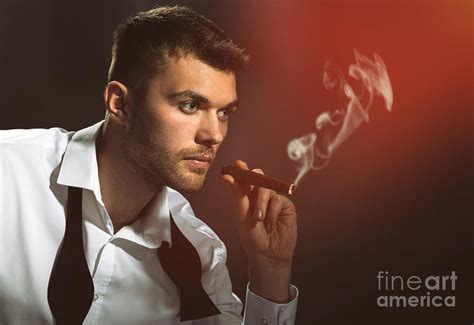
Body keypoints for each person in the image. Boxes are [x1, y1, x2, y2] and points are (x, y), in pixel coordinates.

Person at [0, 5, 298, 324]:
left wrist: (271, 273)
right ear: (120, 104)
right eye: (190, 105)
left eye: (225, 113)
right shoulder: (8, 170)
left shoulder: (199, 256)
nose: (214, 134)